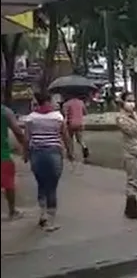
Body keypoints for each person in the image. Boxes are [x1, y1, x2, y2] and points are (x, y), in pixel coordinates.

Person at [23, 91, 74, 231]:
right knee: (52, 186)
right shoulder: (57, 117)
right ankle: (50, 222)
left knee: (41, 184)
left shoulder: (30, 118)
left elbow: (27, 139)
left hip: (36, 154)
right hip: (53, 153)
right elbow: (65, 136)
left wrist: (25, 154)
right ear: (47, 101)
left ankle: (42, 215)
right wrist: (70, 152)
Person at [116, 92, 137, 220]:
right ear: (123, 102)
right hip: (131, 152)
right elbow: (134, 131)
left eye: (133, 100)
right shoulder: (121, 118)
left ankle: (130, 206)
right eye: (129, 100)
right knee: (133, 181)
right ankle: (132, 209)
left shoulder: (136, 115)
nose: (132, 103)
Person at [1, 101, 28, 220]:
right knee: (8, 183)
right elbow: (17, 131)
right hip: (2, 154)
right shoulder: (5, 111)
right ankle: (12, 211)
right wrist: (25, 147)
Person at [62, 94, 90, 161]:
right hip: (80, 123)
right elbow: (85, 112)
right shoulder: (81, 102)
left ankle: (71, 154)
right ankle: (84, 146)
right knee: (80, 139)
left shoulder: (66, 104)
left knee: (70, 139)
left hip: (71, 124)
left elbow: (65, 114)